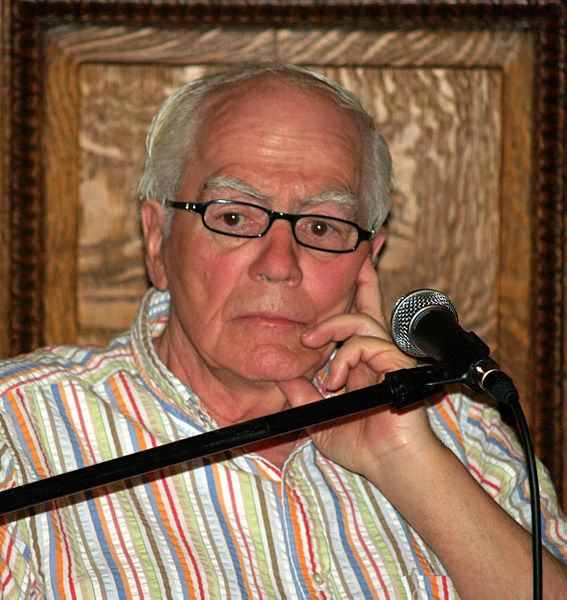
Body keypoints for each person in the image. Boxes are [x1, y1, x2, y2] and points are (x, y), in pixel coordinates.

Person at [0, 62, 566, 599]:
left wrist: (406, 462)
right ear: (157, 238)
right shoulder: (19, 434)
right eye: (235, 217)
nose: (280, 263)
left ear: (369, 258)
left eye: (322, 225)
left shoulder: (466, 436)